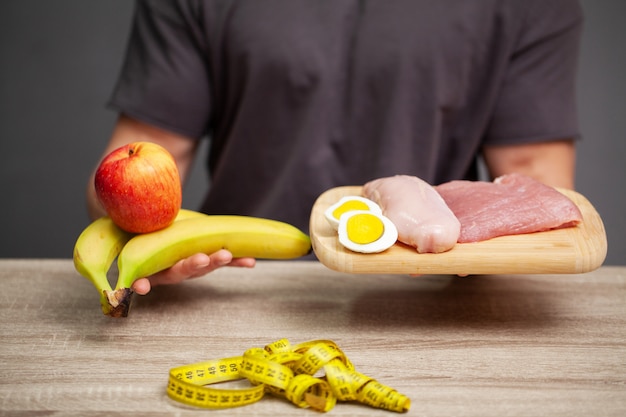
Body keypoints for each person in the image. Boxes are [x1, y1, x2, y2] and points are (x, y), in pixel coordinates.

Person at [86, 0, 583, 295]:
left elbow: (534, 183)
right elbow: (136, 159)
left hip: (438, 302)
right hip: (232, 288)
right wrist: (149, 246)